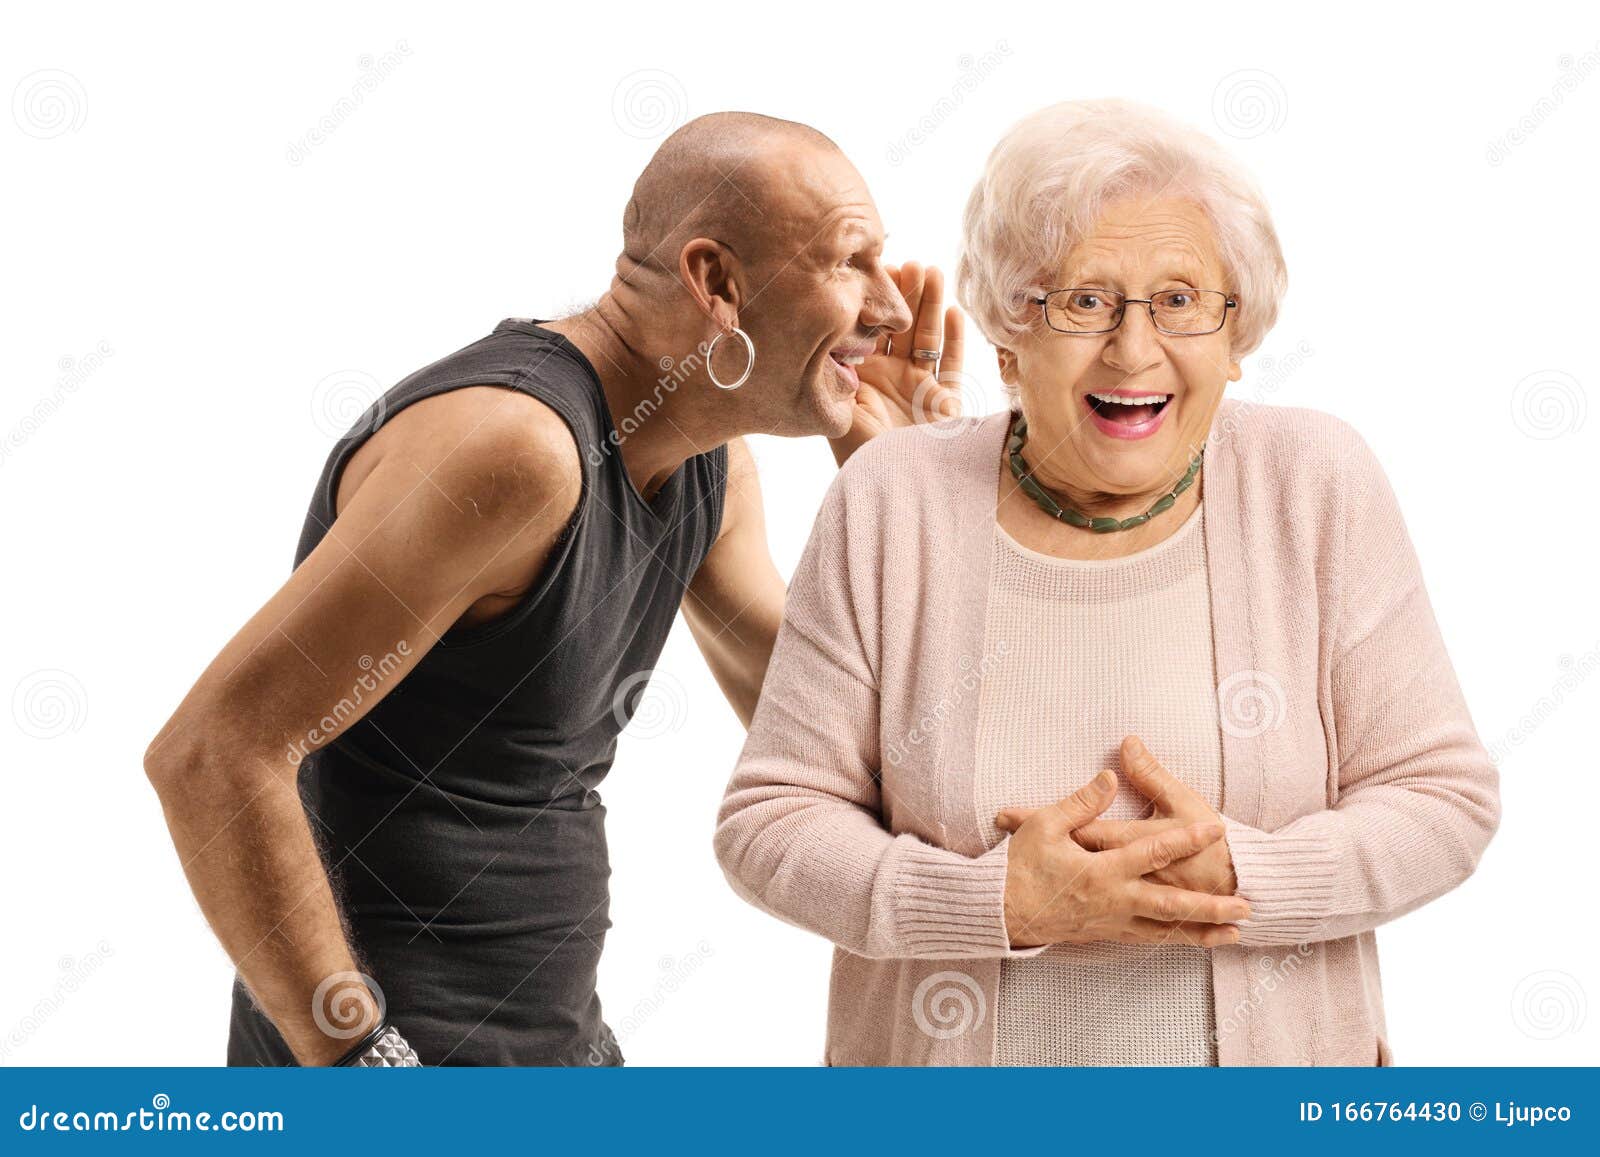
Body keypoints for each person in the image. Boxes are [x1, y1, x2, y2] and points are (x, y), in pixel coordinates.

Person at [142, 111, 964, 1066]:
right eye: (848, 260)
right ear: (716, 283)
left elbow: (845, 748)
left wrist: (902, 496)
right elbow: (212, 753)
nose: (893, 310)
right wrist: (363, 1063)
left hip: (556, 1048)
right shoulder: (516, 447)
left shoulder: (709, 467)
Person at [714, 98, 1501, 1066]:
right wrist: (996, 900)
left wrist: (1239, 871)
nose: (1134, 350)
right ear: (1009, 331)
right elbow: (772, 823)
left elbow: (1441, 799)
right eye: (1084, 301)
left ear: (1235, 332)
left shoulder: (1315, 481)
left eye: (1180, 300)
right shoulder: (892, 497)